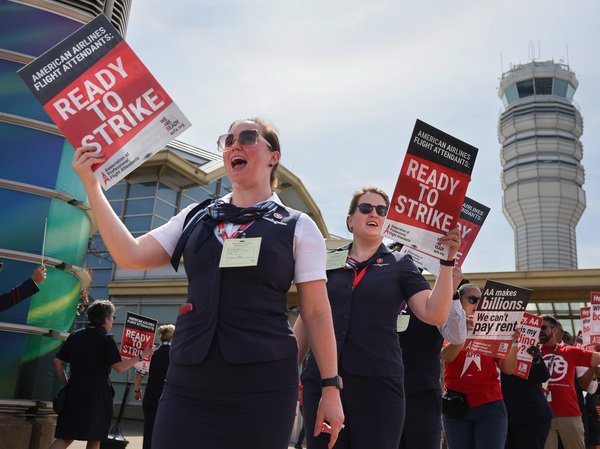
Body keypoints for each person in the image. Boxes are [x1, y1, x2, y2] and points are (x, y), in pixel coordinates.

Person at [71, 117, 343, 449]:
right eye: (228, 140)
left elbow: (315, 313)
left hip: (262, 387)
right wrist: (92, 186)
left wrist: (330, 387)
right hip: (187, 383)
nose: (235, 145)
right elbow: (130, 255)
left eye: (247, 137)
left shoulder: (299, 226)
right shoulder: (195, 215)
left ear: (274, 157)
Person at [294, 187, 460, 449]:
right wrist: (289, 368)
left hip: (379, 387)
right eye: (366, 208)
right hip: (323, 382)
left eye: (382, 211)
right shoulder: (325, 261)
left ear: (387, 222)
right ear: (350, 220)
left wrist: (446, 263)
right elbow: (308, 316)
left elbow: (433, 313)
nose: (374, 213)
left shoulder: (401, 263)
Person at [50, 300, 155, 449]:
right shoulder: (106, 337)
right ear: (106, 319)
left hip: (75, 388)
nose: (112, 321)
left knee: (66, 436)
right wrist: (141, 356)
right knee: (95, 437)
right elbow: (119, 367)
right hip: (98, 392)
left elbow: (57, 361)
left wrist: (66, 384)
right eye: (113, 318)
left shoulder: (75, 335)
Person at [440, 283, 520, 449]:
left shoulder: (494, 329)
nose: (478, 305)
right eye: (472, 299)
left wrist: (513, 342)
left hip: (489, 407)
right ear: (458, 303)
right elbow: (446, 356)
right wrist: (462, 333)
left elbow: (508, 369)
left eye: (481, 301)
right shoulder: (449, 326)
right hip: (456, 406)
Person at [397, 265, 467, 449]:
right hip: (381, 391)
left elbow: (456, 336)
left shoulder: (432, 298)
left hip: (421, 393)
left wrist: (451, 291)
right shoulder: (377, 297)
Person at [540, 315, 600, 449]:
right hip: (543, 415)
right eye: (537, 328)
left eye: (544, 327)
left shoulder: (569, 351)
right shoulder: (531, 352)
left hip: (570, 414)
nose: (540, 331)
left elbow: (596, 358)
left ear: (555, 330)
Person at [501, 345, 554, 449]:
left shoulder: (528, 351)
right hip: (504, 418)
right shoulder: (497, 352)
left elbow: (543, 376)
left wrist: (535, 358)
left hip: (531, 418)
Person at [134, 324, 175, 449]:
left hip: (151, 396)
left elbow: (139, 376)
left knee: (149, 429)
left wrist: (137, 390)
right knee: (169, 431)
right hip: (170, 399)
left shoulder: (151, 354)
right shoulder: (177, 355)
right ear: (173, 337)